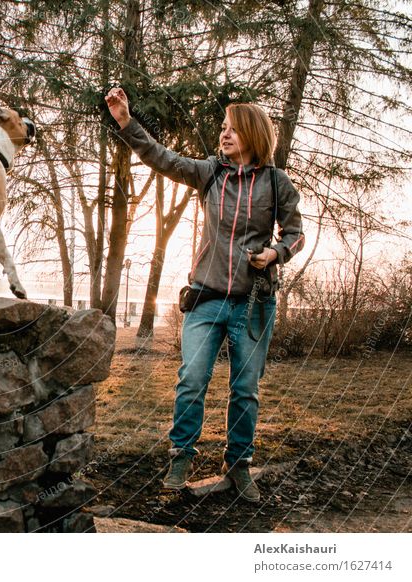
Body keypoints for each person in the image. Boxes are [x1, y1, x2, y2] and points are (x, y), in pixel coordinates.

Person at [105, 87, 305, 502]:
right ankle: (181, 457)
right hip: (205, 299)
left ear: (252, 133)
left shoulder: (276, 182)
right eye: (222, 128)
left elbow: (295, 233)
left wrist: (275, 252)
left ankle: (238, 466)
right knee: (192, 380)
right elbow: (161, 157)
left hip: (254, 304)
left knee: (245, 388)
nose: (224, 134)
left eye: (232, 129)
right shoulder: (210, 173)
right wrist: (126, 121)